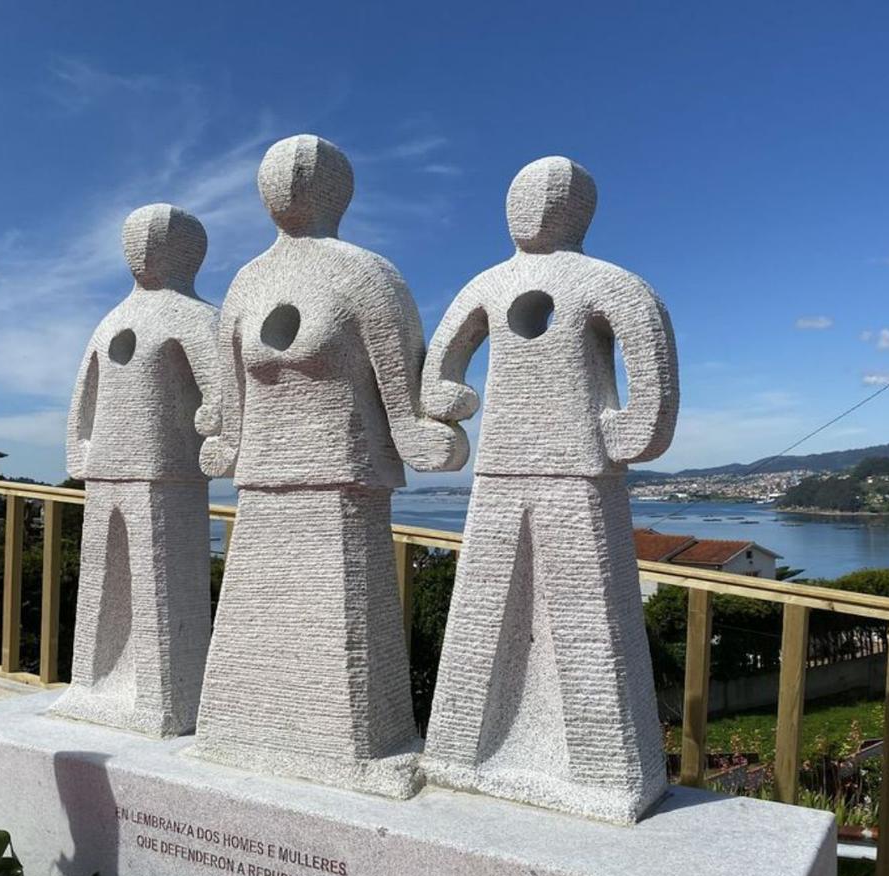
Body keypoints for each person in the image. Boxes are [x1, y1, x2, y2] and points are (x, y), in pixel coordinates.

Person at [194, 134, 465, 798]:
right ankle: (238, 735)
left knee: (346, 648)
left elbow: (398, 382)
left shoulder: (364, 275)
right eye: (274, 178)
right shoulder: (246, 284)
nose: (289, 184)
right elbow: (228, 400)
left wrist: (412, 431)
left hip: (343, 476)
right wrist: (227, 447)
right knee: (257, 633)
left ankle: (362, 749)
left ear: (338, 193)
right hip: (264, 478)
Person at [420, 156, 680, 823]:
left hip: (578, 465)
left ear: (579, 211)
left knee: (588, 609)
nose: (532, 207)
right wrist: (446, 398)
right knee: (481, 601)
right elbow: (442, 365)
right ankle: (458, 754)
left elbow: (648, 354)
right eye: (522, 195)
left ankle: (600, 773)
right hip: (501, 464)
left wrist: (633, 430)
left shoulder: (605, 282)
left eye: (549, 197)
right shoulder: (489, 284)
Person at [51, 204, 218, 738]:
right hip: (109, 470)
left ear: (189, 252)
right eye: (135, 241)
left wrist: (219, 433)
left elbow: (220, 394)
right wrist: (80, 449)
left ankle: (163, 700)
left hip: (168, 471)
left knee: (161, 582)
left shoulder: (194, 317)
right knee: (101, 578)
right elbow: (86, 393)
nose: (143, 250)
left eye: (156, 241)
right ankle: (93, 685)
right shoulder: (110, 322)